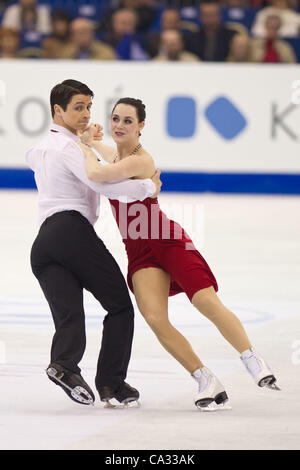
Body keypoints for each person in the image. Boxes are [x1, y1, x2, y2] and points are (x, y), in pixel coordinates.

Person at [78, 97, 280, 410]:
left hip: (166, 239)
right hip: (139, 250)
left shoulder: (141, 160)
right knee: (156, 318)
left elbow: (99, 174)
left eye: (127, 121)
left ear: (141, 126)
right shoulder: (118, 155)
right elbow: (107, 155)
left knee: (204, 299)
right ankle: (204, 378)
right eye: (115, 118)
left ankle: (251, 358)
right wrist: (91, 141)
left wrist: (81, 145)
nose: (118, 125)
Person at [25, 80, 161, 407]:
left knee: (70, 315)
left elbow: (38, 159)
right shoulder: (70, 148)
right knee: (120, 306)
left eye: (88, 106)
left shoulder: (44, 147)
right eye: (78, 108)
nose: (86, 114)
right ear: (57, 110)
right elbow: (104, 184)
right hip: (71, 232)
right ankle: (112, 383)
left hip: (44, 244)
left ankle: (64, 365)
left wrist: (87, 143)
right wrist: (148, 187)